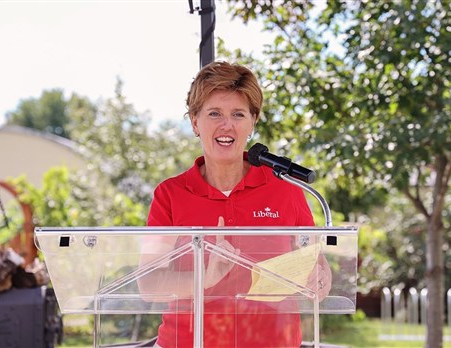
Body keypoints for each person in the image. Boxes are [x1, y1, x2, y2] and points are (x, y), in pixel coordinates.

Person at [139, 61, 332, 347]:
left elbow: (318, 271)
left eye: (238, 114)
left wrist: (319, 281)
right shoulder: (171, 194)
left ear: (252, 122)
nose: (226, 125)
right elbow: (149, 285)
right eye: (214, 113)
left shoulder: (286, 190)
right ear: (194, 121)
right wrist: (204, 277)